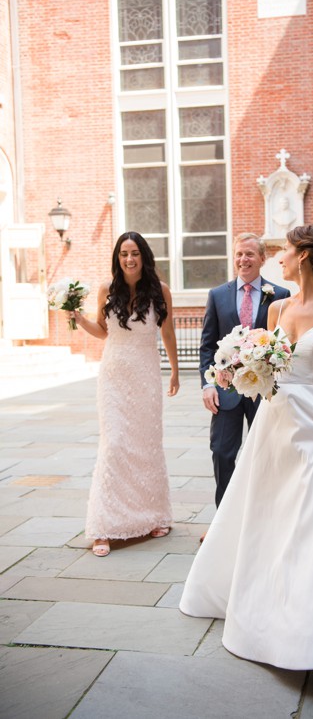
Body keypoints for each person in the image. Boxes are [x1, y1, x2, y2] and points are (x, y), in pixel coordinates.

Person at [180, 223, 313, 671]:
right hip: (278, 424)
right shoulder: (275, 309)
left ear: (307, 257)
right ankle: (271, 606)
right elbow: (269, 367)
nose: (279, 258)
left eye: (288, 251)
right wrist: (237, 371)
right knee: (271, 513)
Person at [68, 232, 179, 557]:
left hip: (146, 375)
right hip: (114, 375)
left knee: (146, 445)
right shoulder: (107, 289)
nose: (129, 259)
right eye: (123, 254)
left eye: (134, 253)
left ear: (143, 256)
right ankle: (104, 526)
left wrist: (174, 371)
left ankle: (155, 515)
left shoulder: (161, 291)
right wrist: (79, 319)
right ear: (117, 258)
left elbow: (168, 331)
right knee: (115, 443)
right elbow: (103, 331)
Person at [199, 233, 290, 511]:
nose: (243, 259)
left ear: (262, 258)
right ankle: (224, 519)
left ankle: (263, 515)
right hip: (226, 390)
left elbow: (284, 345)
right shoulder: (217, 295)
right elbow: (206, 345)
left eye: (250, 254)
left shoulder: (280, 295)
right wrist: (208, 385)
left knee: (266, 455)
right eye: (239, 254)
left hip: (263, 392)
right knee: (222, 454)